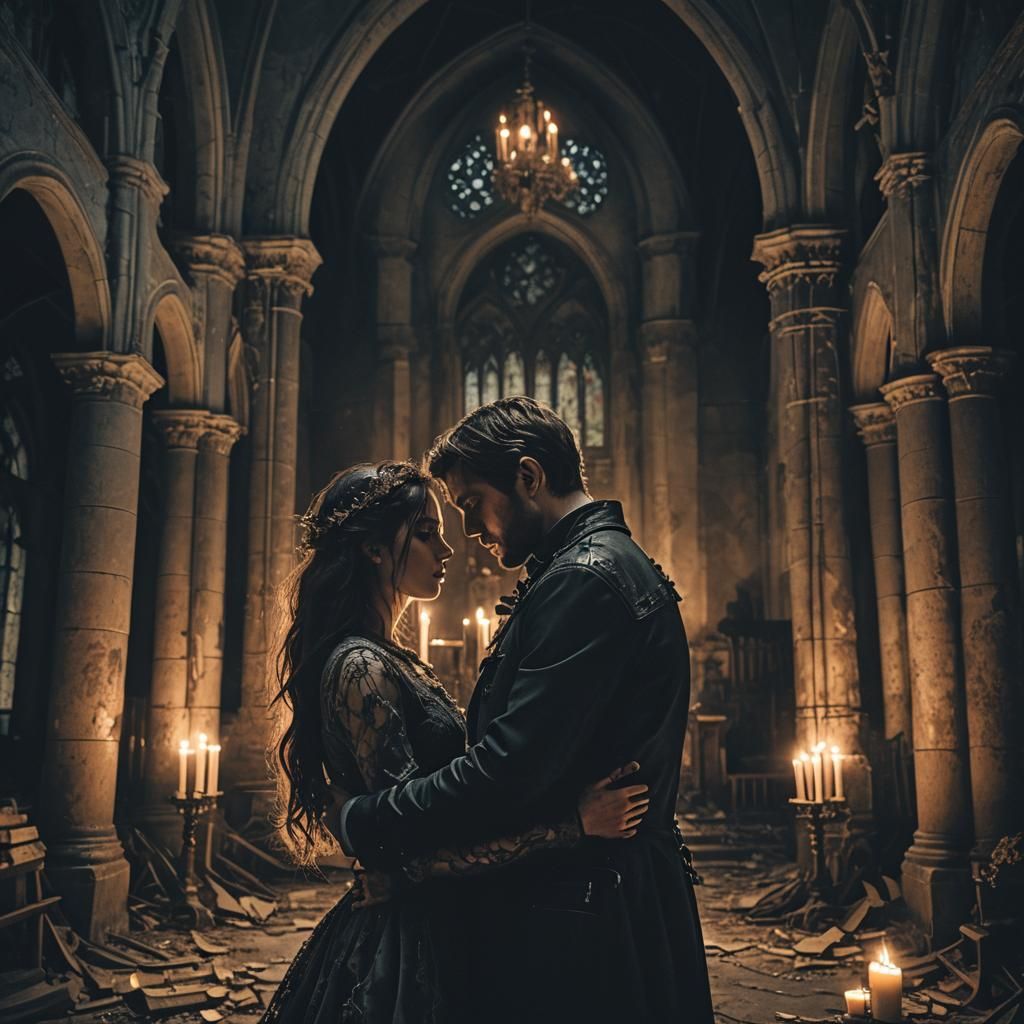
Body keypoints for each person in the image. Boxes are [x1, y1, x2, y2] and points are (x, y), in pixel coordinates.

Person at [336, 400, 715, 1023]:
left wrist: (366, 819)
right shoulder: (586, 568)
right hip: (596, 896)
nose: (470, 531)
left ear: (529, 477)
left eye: (470, 505)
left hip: (586, 912)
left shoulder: (584, 580)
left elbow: (505, 772)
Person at [261, 460, 648, 1024]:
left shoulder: (392, 660)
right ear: (373, 549)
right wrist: (574, 824)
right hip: (402, 946)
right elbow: (412, 843)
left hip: (445, 920)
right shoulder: (360, 668)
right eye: (424, 534)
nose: (446, 550)